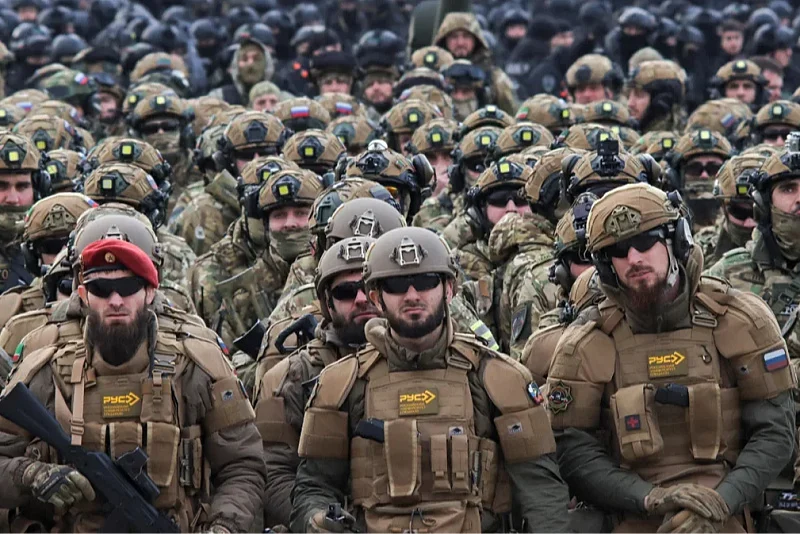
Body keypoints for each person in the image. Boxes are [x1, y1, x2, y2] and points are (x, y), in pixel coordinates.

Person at [548, 183, 795, 532]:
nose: (635, 258)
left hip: (730, 513)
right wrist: (651, 498)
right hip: (632, 515)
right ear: (604, 265)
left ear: (676, 240)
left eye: (646, 241)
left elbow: (775, 432)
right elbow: (574, 454)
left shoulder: (741, 321)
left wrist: (721, 503)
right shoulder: (585, 344)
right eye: (618, 250)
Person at [290, 226, 570, 533]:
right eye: (396, 285)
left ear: (448, 289)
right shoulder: (340, 384)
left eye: (425, 281)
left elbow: (541, 490)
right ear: (376, 298)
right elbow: (313, 487)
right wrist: (318, 520)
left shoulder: (499, 378)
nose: (412, 295)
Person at [0, 238, 266, 532]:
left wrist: (224, 527)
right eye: (101, 289)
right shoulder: (45, 373)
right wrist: (30, 475)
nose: (115, 300)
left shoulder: (197, 368)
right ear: (83, 295)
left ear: (150, 292)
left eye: (128, 287)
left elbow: (243, 467)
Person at [255, 235, 377, 529]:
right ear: (327, 304)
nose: (361, 299)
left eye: (369, 287)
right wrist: (319, 521)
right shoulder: (290, 376)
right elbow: (272, 474)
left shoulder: (428, 360)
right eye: (345, 292)